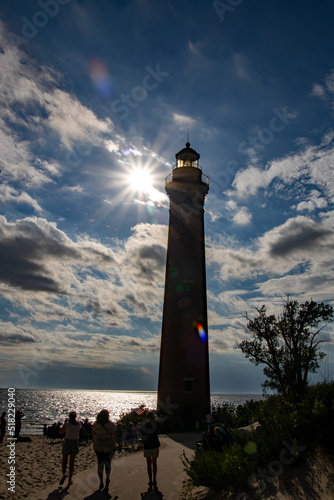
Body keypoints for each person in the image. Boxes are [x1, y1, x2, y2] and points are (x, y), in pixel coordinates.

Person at [92, 409, 122, 490]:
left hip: (98, 447)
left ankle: (101, 481)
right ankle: (107, 477)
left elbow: (93, 433)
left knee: (100, 464)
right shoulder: (110, 425)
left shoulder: (96, 424)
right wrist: (119, 444)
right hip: (109, 446)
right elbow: (115, 435)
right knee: (108, 463)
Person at [59, 411, 81, 486]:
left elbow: (60, 432)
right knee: (72, 462)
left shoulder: (67, 425)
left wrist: (64, 423)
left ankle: (64, 473)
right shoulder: (78, 425)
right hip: (75, 442)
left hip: (67, 441)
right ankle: (70, 479)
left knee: (64, 460)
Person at [140, 411, 160, 487]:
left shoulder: (144, 425)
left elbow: (143, 436)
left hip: (147, 445)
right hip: (155, 444)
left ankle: (150, 480)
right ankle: (154, 479)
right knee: (154, 463)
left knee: (148, 464)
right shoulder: (156, 424)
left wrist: (141, 444)